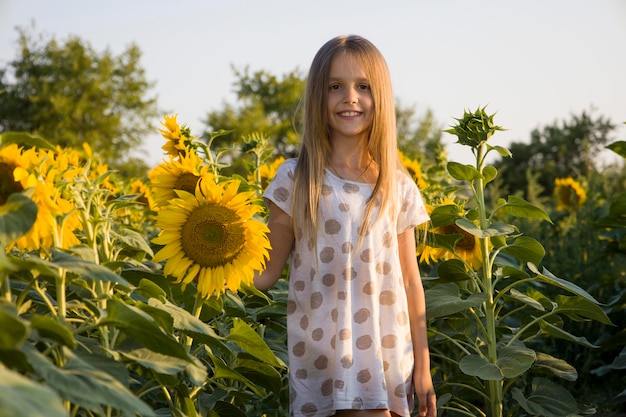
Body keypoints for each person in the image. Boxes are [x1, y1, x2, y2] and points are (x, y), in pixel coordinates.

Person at [254, 35, 437, 417]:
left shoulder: (396, 184)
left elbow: (409, 280)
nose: (349, 97)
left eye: (363, 87)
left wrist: (424, 365)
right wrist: (209, 254)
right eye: (335, 86)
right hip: (320, 360)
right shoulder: (295, 178)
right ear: (318, 98)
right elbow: (266, 274)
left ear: (381, 98)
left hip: (384, 361)